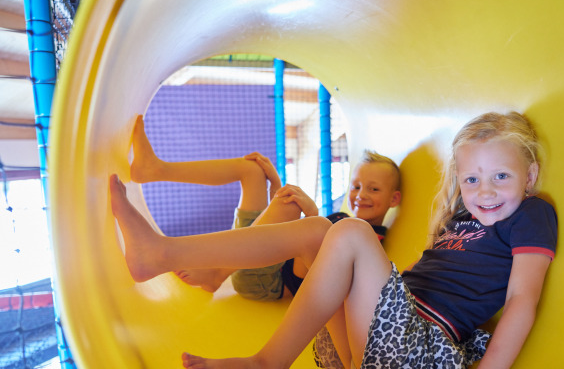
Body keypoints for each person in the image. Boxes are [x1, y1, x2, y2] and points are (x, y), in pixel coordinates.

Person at [110, 111, 557, 369]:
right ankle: (162, 255)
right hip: (374, 351)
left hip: (415, 359)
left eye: (501, 176)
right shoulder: (461, 216)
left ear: (530, 176)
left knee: (350, 231)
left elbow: (522, 300)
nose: (485, 191)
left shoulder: (532, 214)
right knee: (319, 230)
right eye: (472, 179)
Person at [129, 114, 401, 299]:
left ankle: (218, 271)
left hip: (268, 279)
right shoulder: (342, 218)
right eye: (356, 186)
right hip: (261, 254)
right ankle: (154, 169)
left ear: (394, 199)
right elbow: (285, 235)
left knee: (292, 205)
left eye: (374, 189)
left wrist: (312, 215)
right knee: (252, 169)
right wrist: (276, 184)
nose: (361, 195)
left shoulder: (369, 240)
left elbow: (308, 274)